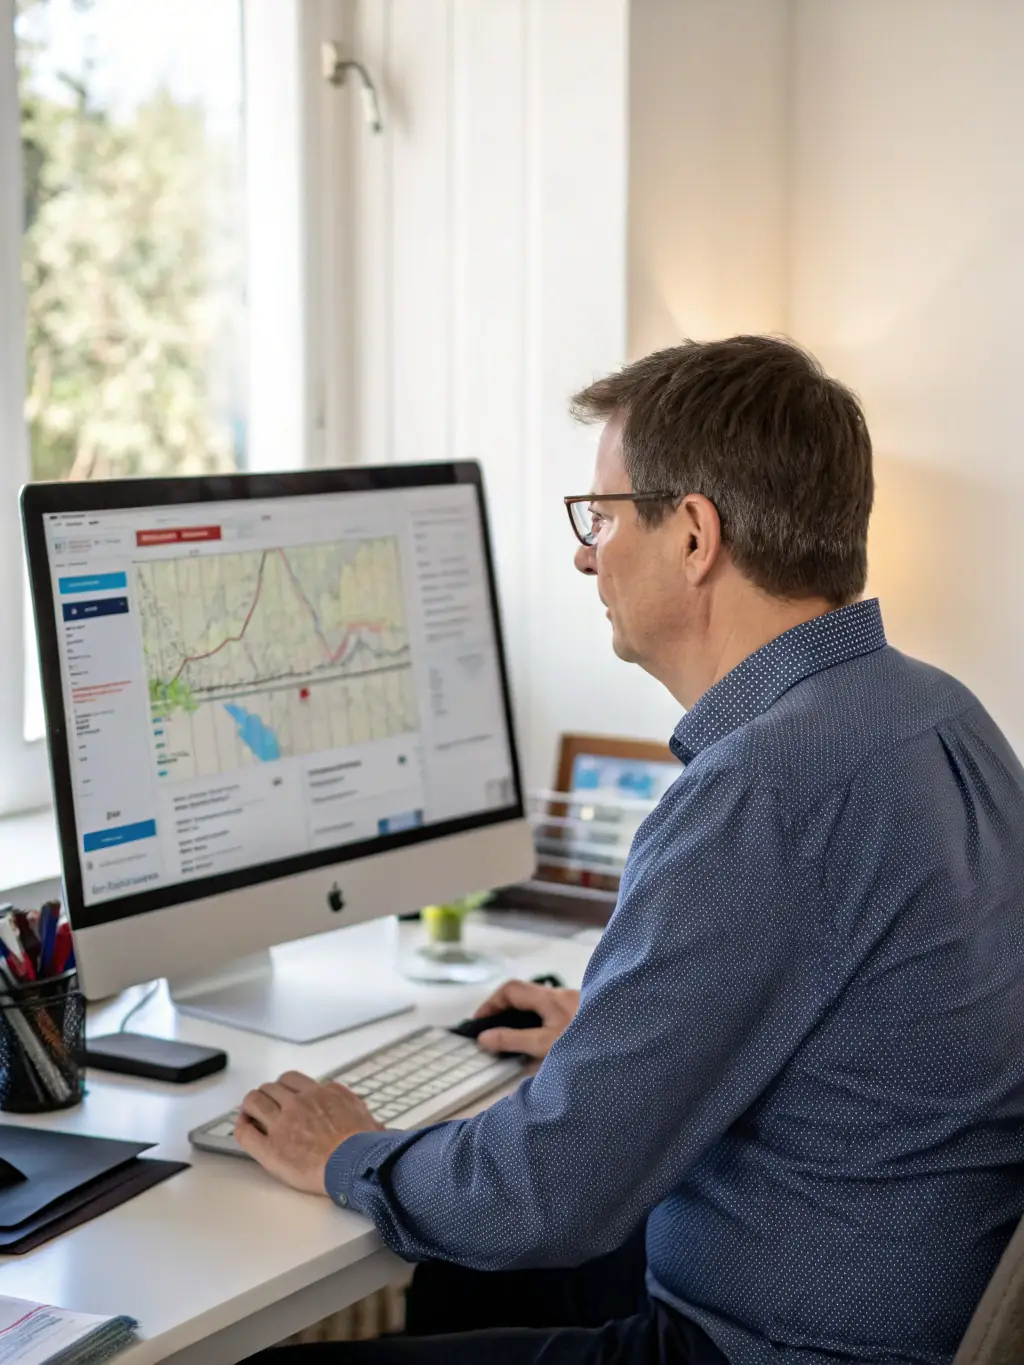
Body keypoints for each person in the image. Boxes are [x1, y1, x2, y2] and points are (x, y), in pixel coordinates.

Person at [238, 337, 1024, 1365]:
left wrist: (343, 1153)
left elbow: (543, 1196)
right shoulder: (935, 713)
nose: (583, 552)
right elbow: (867, 1031)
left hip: (767, 1345)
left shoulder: (761, 790)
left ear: (693, 534)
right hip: (897, 1290)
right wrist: (613, 1045)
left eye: (600, 517)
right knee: (463, 1280)